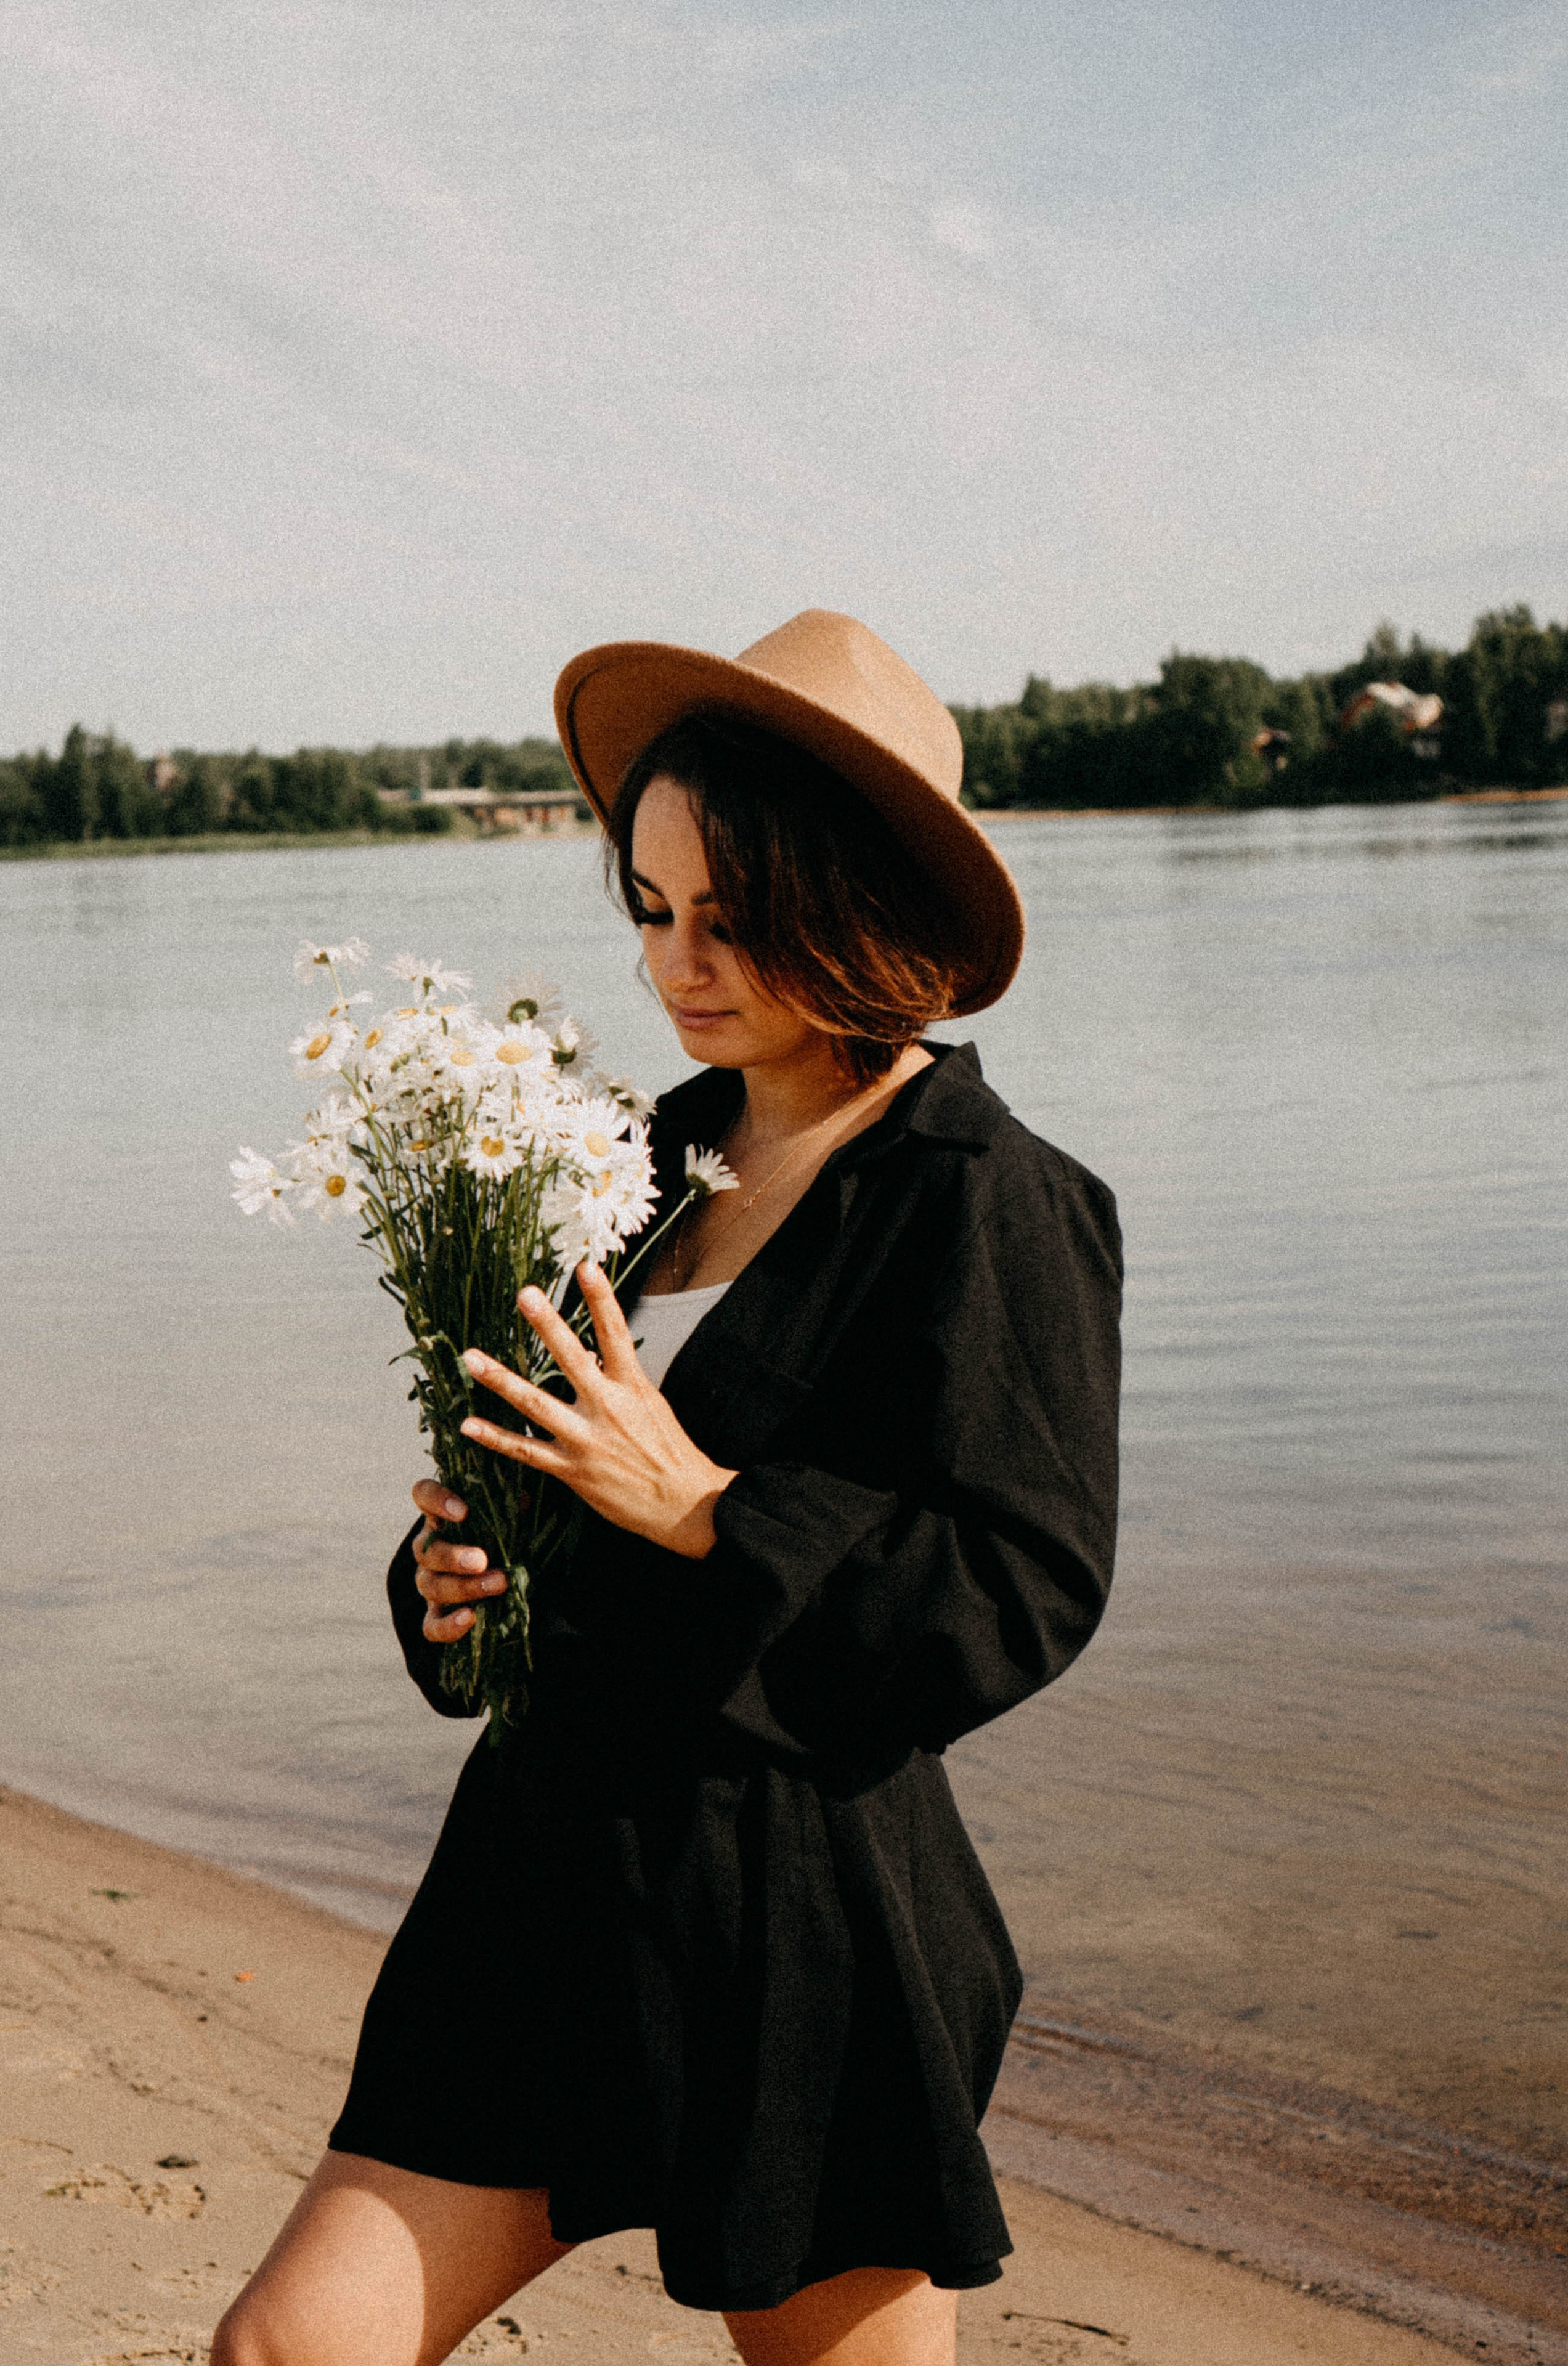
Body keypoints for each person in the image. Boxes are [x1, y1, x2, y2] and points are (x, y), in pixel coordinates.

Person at [213, 610, 1122, 2366]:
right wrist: (457, 1588)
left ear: (856, 897)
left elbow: (1024, 1589)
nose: (677, 964)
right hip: (536, 1879)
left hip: (796, 1919)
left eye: (732, 913)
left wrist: (713, 1510)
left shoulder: (990, 1198)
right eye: (649, 909)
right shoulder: (625, 1167)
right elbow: (557, 1500)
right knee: (287, 2351)